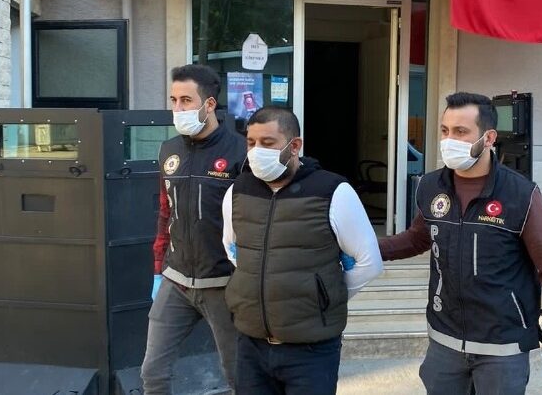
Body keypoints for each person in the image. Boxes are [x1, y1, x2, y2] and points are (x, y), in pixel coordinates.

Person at [380, 92, 542, 395]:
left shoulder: (520, 194)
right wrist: (367, 250)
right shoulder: (431, 186)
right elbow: (418, 238)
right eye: (445, 131)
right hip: (445, 341)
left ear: (488, 138)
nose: (449, 140)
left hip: (502, 347)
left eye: (461, 132)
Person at [222, 106, 383, 395]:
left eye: (267, 143)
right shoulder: (239, 190)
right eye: (251, 142)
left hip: (311, 351)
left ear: (294, 146)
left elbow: (368, 262)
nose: (256, 151)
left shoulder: (332, 191)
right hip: (251, 345)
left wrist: (324, 296)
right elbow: (232, 249)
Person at [141, 64, 245, 395]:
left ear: (209, 104)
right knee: (152, 373)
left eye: (186, 100)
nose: (178, 108)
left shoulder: (241, 152)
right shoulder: (168, 150)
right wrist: (158, 270)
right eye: (173, 100)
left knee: (238, 376)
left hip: (224, 284)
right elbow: (165, 213)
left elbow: (256, 221)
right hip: (176, 282)